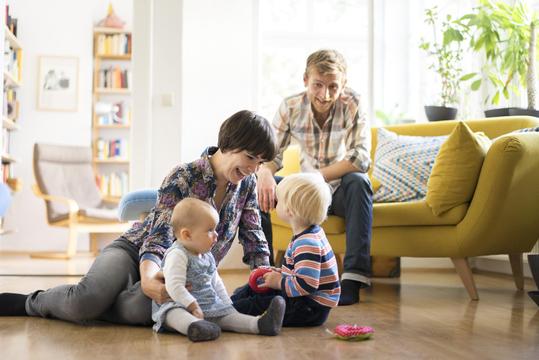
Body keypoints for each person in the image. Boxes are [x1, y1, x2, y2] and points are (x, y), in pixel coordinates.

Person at [0, 110, 277, 325]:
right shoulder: (183, 175)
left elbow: (253, 235)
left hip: (182, 271)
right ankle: (32, 302)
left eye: (260, 163)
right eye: (250, 157)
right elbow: (159, 235)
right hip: (134, 250)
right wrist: (147, 277)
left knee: (140, 311)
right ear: (228, 144)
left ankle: (103, 301)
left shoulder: (247, 185)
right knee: (85, 301)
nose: (253, 168)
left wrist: (263, 276)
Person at [257, 49, 373, 305]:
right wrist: (264, 171)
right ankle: (263, 270)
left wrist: (315, 177)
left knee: (360, 182)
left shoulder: (352, 103)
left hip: (339, 189)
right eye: (318, 85)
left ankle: (353, 279)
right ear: (305, 81)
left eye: (334, 86)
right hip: (303, 193)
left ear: (343, 84)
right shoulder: (290, 106)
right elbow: (271, 154)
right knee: (257, 187)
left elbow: (360, 158)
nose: (326, 94)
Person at [153, 198, 285, 342]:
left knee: (229, 316)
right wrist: (192, 306)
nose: (216, 235)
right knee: (174, 314)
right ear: (187, 235)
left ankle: (260, 325)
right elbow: (174, 286)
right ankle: (195, 327)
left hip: (208, 303)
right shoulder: (178, 254)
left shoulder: (207, 255)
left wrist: (228, 305)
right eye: (210, 230)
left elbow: (216, 282)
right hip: (181, 303)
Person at [231, 173, 340, 327]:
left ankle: (228, 313)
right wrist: (278, 274)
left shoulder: (307, 243)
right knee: (256, 288)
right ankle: (227, 305)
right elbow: (298, 273)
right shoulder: (307, 233)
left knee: (259, 302)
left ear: (290, 210)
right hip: (302, 299)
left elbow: (307, 285)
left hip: (310, 308)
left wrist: (279, 282)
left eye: (279, 200)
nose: (275, 204)